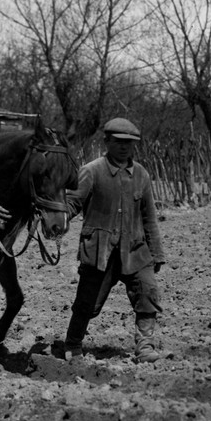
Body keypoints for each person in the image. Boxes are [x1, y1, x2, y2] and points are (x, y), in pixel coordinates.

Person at [63, 117, 165, 363]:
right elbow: (73, 203)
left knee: (147, 293)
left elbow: (149, 217)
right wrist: (58, 218)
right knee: (88, 303)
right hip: (99, 252)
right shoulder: (92, 170)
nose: (124, 147)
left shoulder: (141, 174)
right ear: (107, 142)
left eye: (129, 143)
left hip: (135, 251)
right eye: (118, 142)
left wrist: (157, 253)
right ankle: (73, 343)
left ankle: (145, 347)